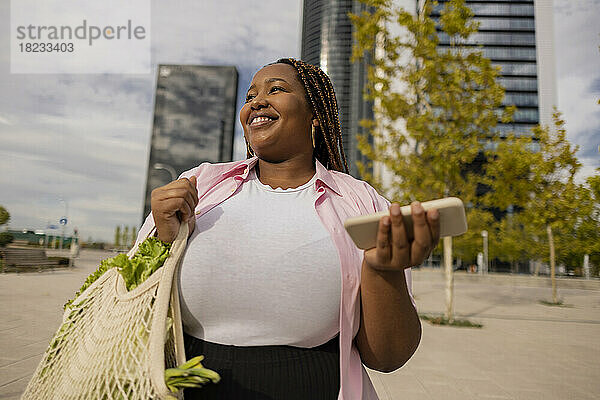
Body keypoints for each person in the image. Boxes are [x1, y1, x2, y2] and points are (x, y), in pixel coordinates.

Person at [135, 58, 440, 400]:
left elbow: (388, 356)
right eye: (250, 95)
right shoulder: (201, 183)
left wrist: (385, 270)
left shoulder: (362, 203)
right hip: (184, 387)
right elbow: (134, 297)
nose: (257, 102)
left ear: (315, 116)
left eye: (276, 89)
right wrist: (163, 236)